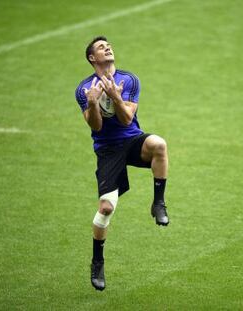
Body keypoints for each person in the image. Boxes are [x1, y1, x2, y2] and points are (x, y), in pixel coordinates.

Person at [75, 36, 169, 291]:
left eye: (108, 45)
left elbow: (127, 120)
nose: (107, 47)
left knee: (159, 144)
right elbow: (96, 126)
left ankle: (158, 203)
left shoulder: (129, 80)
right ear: (92, 58)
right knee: (105, 209)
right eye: (101, 47)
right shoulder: (84, 89)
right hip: (107, 150)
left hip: (132, 140)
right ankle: (97, 262)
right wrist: (93, 103)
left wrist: (115, 97)